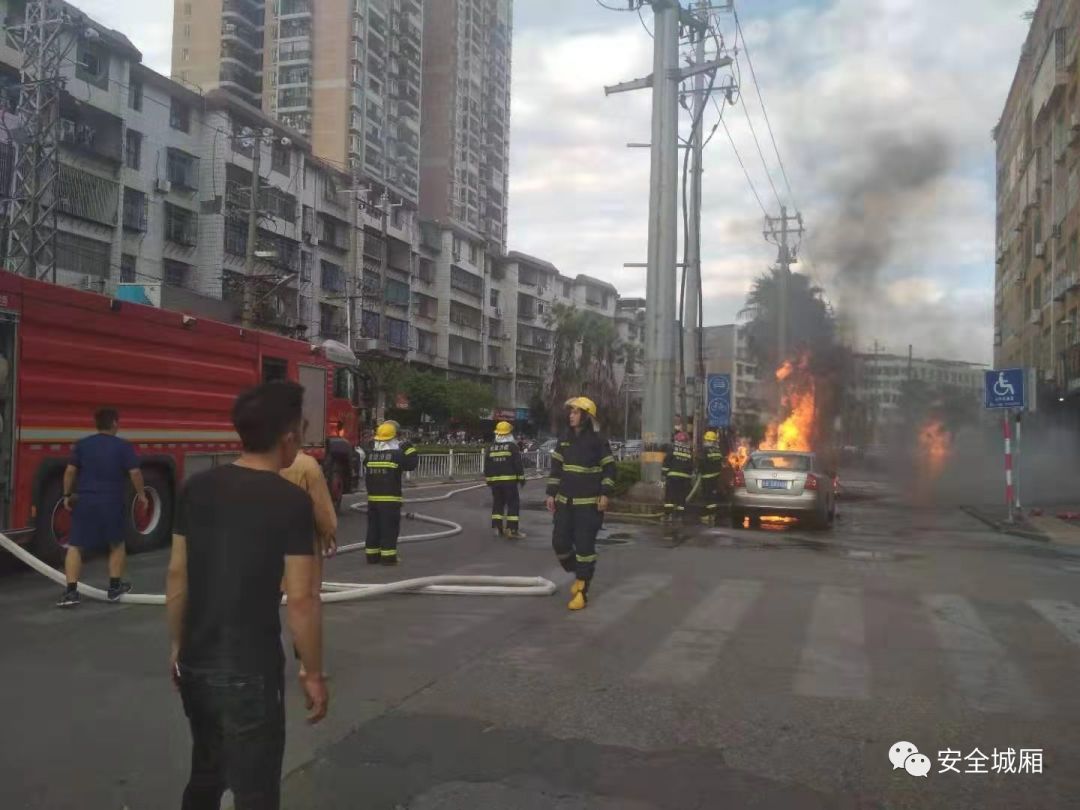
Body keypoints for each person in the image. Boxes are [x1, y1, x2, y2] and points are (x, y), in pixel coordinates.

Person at [166, 381, 328, 810]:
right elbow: (302, 598)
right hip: (251, 670)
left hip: (196, 664)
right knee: (255, 791)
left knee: (205, 777)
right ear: (288, 436)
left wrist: (178, 646)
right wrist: (312, 672)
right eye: (302, 428)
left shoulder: (195, 488)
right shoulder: (291, 502)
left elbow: (178, 575)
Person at [56, 407, 147, 607]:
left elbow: (70, 471)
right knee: (116, 544)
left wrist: (66, 495)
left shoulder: (82, 445)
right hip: (111, 502)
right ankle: (115, 588)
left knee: (76, 545)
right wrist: (141, 495)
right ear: (114, 423)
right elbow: (135, 473)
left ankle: (71, 592)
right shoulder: (123, 446)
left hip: (85, 501)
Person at [546, 397, 616, 611]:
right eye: (571, 412)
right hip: (564, 504)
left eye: (576, 412)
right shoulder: (564, 438)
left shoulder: (598, 441)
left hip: (588, 506)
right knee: (559, 543)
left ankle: (582, 592)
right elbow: (556, 469)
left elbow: (610, 470)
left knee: (585, 548)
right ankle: (579, 573)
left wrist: (605, 494)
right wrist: (551, 494)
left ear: (586, 416)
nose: (571, 415)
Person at [281, 441, 338, 678]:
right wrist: (329, 533)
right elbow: (321, 508)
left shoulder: (257, 464)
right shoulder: (307, 465)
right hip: (301, 543)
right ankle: (308, 665)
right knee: (307, 602)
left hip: (264, 542)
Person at [364, 420, 418, 566]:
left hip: (372, 500)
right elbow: (411, 464)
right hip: (390, 500)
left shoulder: (370, 455)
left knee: (373, 528)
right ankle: (388, 558)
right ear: (394, 437)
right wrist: (408, 447)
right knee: (389, 529)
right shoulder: (397, 455)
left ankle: (372, 557)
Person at [484, 420, 526, 538]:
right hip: (509, 483)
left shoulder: (491, 448)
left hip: (495, 483)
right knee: (513, 504)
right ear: (508, 434)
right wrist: (521, 479)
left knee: (498, 503)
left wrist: (489, 480)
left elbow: (487, 466)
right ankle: (512, 530)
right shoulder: (512, 447)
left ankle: (497, 528)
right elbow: (518, 465)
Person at [662, 431, 694, 524]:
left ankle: (668, 515)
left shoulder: (672, 448)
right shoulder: (689, 451)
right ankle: (679, 516)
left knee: (670, 497)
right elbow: (691, 465)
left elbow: (667, 461)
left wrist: (664, 474)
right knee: (681, 498)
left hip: (672, 477)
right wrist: (690, 477)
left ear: (676, 440)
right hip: (685, 479)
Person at [699, 430, 728, 526]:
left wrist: (699, 471)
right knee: (712, 496)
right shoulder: (717, 451)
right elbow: (720, 463)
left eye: (705, 440)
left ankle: (707, 515)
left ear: (707, 440)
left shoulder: (705, 450)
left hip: (706, 477)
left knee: (706, 497)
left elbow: (702, 462)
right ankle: (712, 515)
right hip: (716, 477)